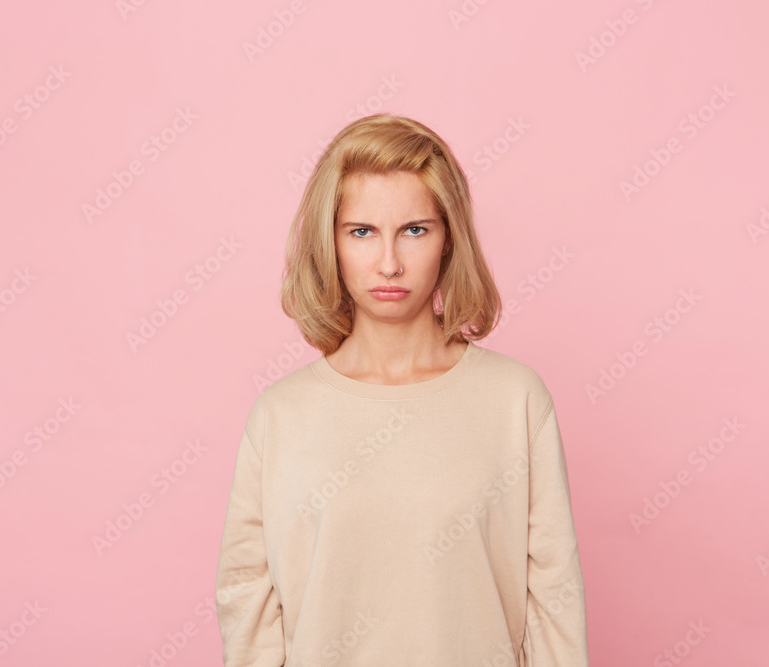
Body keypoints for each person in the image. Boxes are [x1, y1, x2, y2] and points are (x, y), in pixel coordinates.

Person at [215, 114, 589, 666]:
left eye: (415, 229)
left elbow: (553, 601)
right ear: (331, 242)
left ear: (448, 239)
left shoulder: (515, 401)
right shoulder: (281, 415)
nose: (389, 262)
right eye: (361, 231)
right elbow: (247, 596)